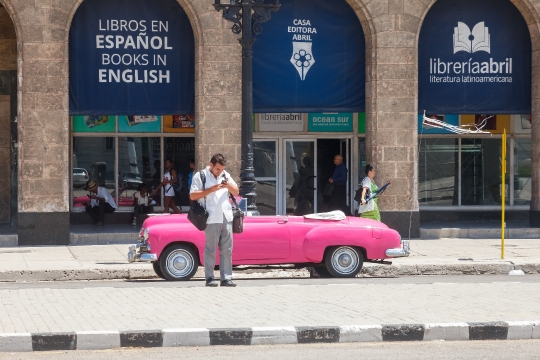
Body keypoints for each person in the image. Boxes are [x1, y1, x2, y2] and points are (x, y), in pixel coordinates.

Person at [190, 153, 239, 287]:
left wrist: (228, 185)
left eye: (222, 169)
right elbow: (193, 195)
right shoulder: (201, 176)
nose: (220, 171)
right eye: (218, 169)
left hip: (226, 216)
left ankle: (226, 278)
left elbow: (236, 192)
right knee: (210, 249)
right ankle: (210, 278)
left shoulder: (225, 175)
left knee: (227, 249)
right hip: (211, 217)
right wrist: (210, 190)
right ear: (211, 165)